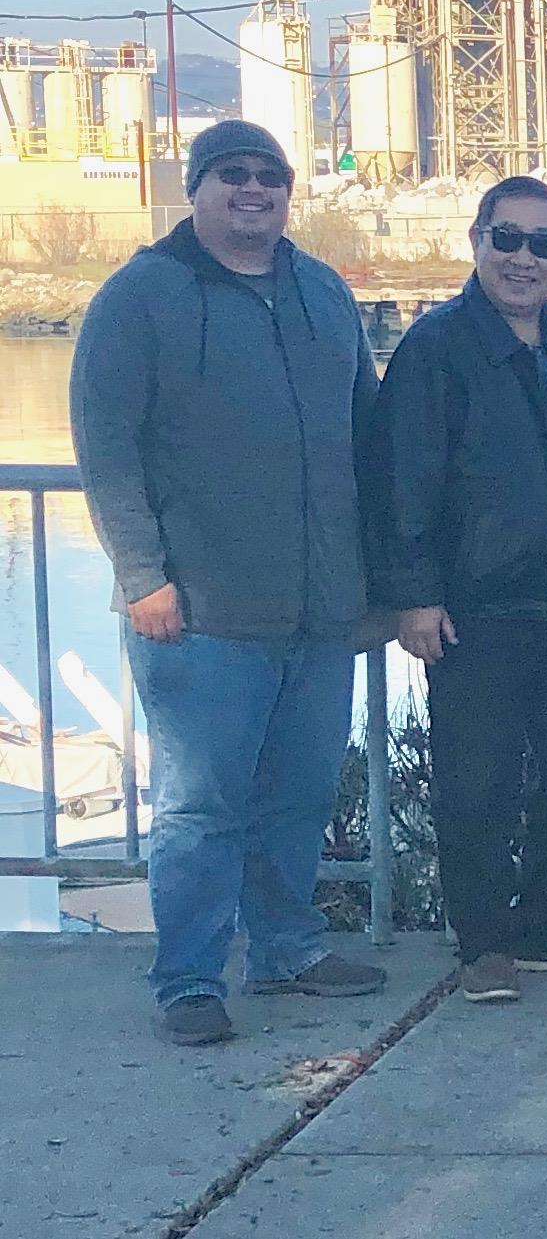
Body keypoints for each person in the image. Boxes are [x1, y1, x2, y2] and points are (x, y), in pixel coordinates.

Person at [68, 121, 387, 1046]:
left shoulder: (322, 290)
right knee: (202, 806)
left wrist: (373, 582)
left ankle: (287, 947)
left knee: (299, 792)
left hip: (321, 609)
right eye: (232, 176)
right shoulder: (140, 298)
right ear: (196, 188)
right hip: (198, 613)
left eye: (269, 178)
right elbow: (107, 448)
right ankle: (190, 978)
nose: (253, 190)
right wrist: (141, 577)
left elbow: (365, 439)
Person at [369, 176, 547, 1006]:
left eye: (542, 242)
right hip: (472, 608)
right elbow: (401, 477)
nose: (523, 257)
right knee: (475, 784)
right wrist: (414, 594)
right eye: (507, 238)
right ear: (475, 239)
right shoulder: (436, 347)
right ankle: (483, 940)